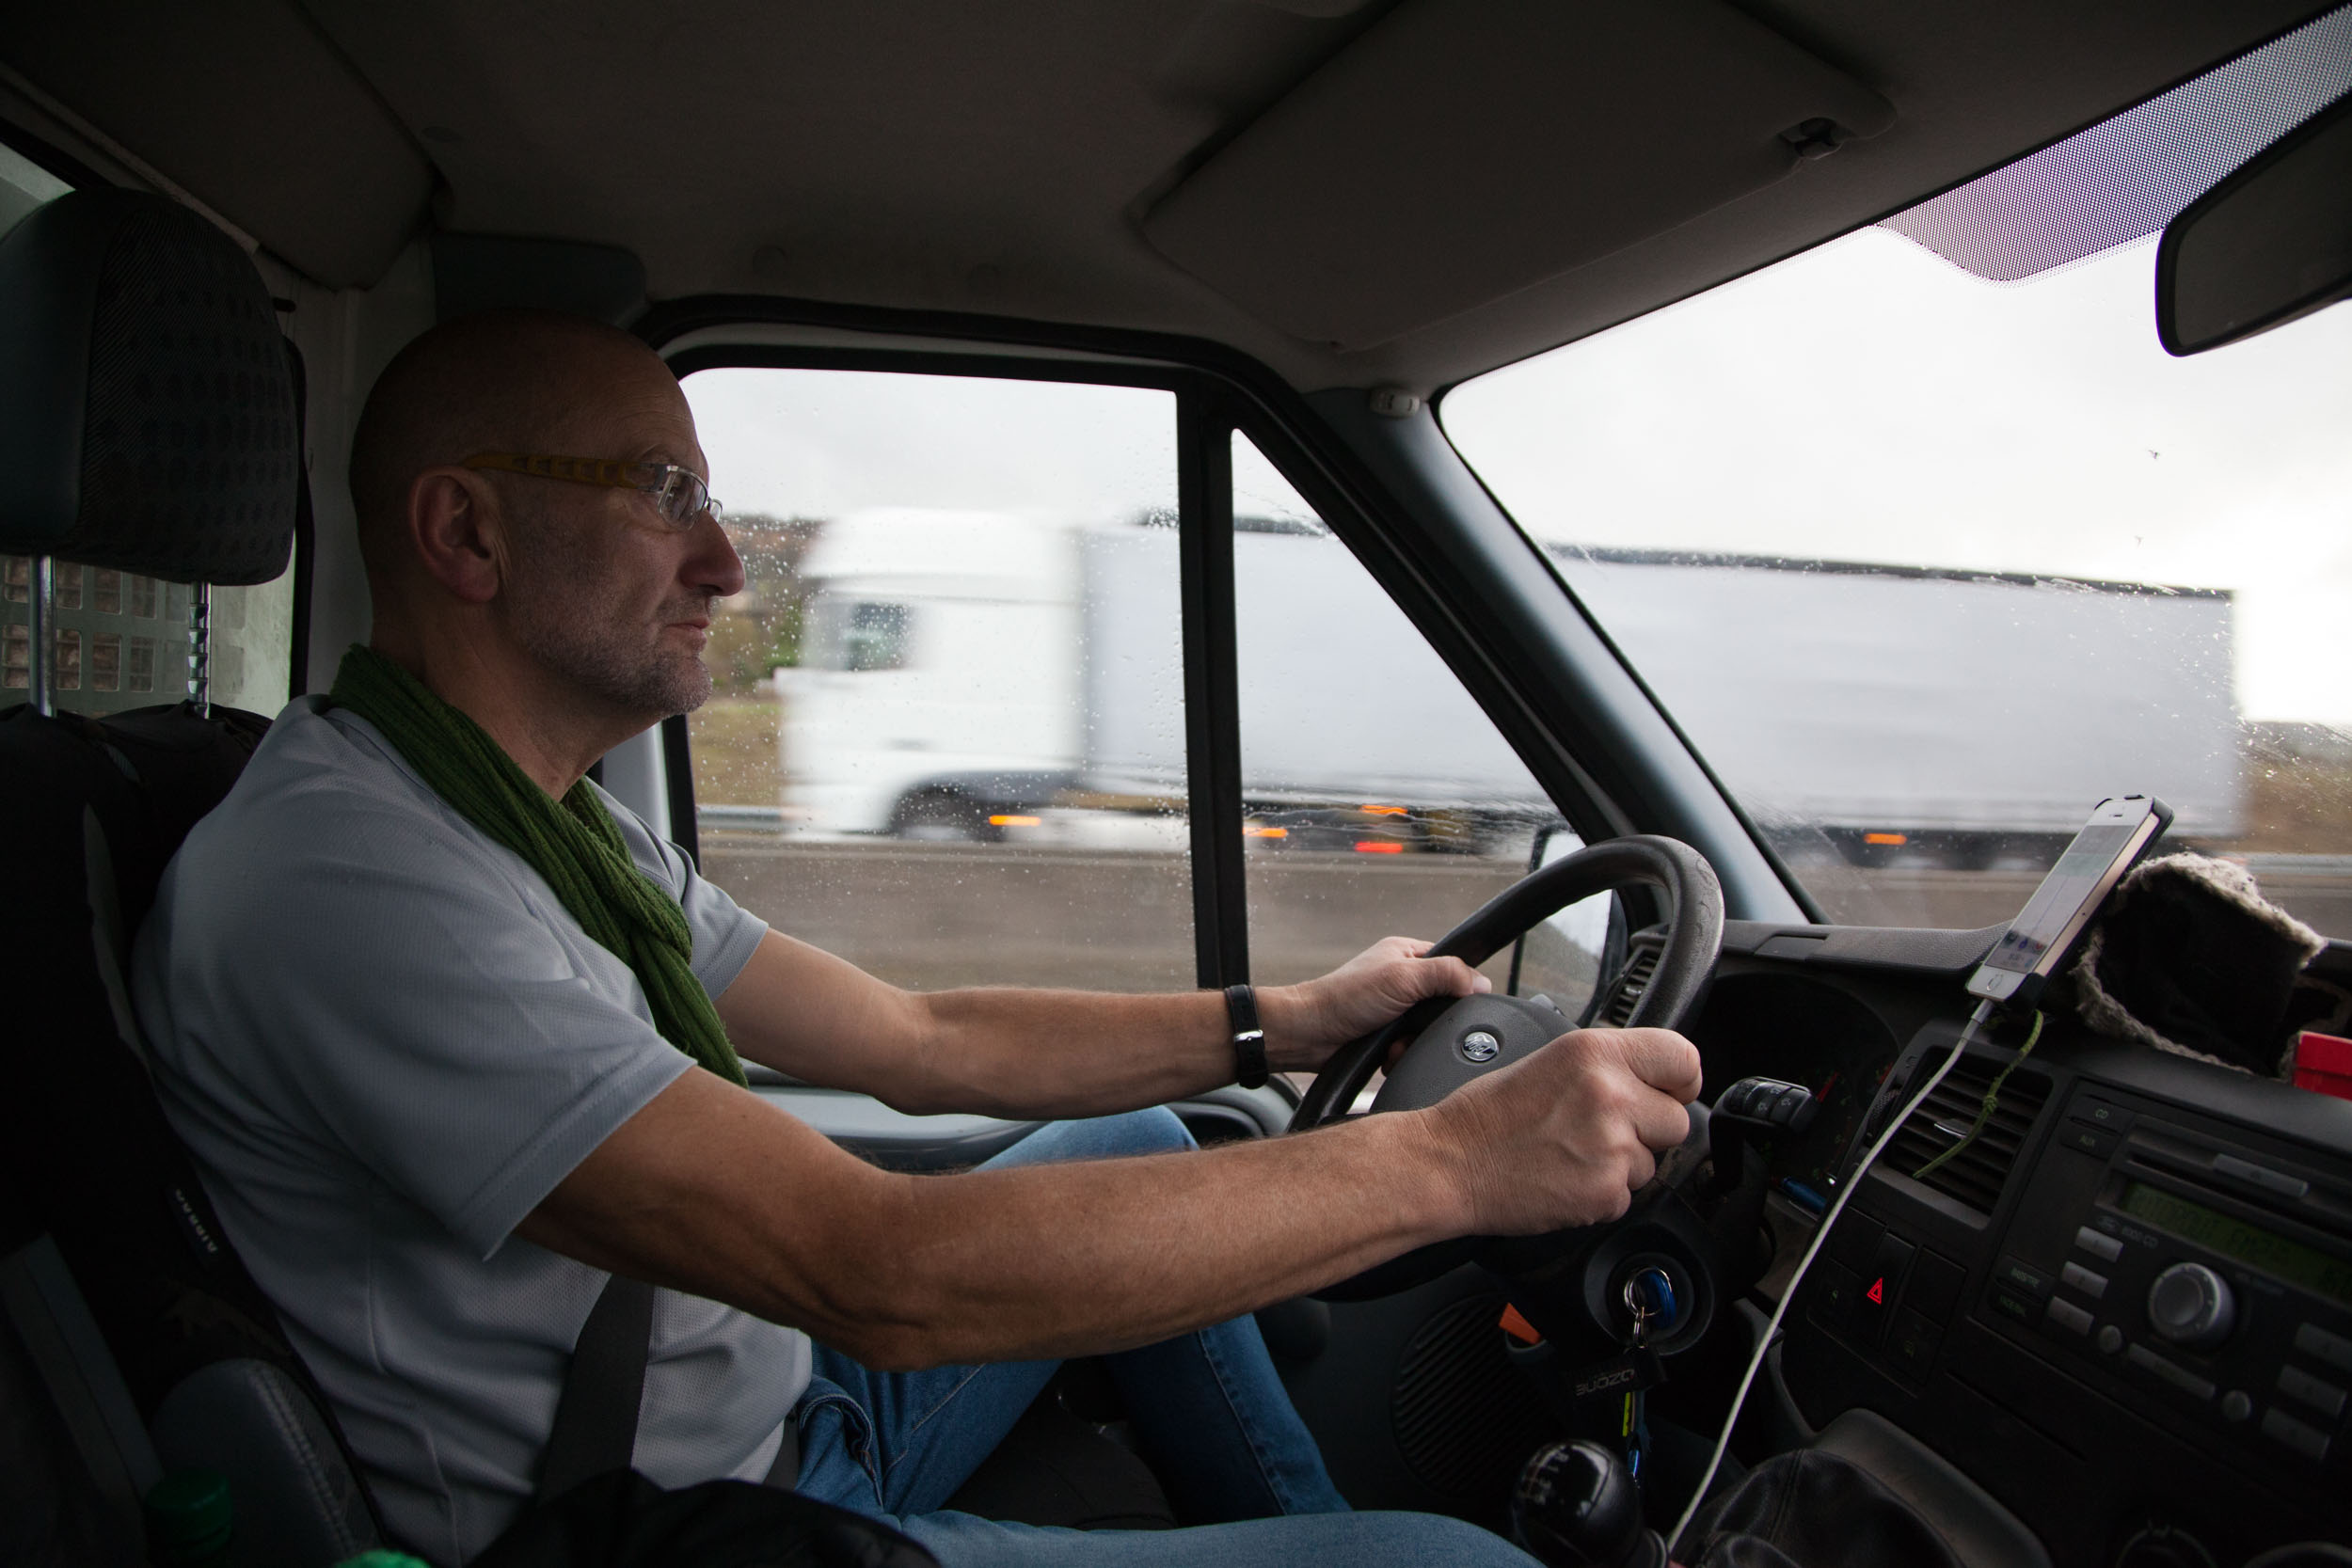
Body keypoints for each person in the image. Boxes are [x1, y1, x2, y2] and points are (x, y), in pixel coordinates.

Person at [131, 310, 1705, 1568]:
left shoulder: (534, 817)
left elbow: (919, 1043)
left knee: (1150, 1136)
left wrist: (1291, 1017)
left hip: (791, 1397)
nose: (727, 560)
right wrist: (1457, 1160)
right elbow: (872, 1266)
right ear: (466, 535)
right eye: (663, 494)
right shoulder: (347, 881)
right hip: (675, 1525)